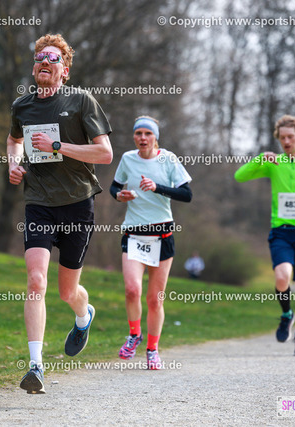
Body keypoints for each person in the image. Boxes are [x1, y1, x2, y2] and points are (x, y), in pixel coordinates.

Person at [6, 34, 113, 393]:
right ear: (34, 67)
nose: (45, 62)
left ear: (64, 71)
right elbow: (14, 140)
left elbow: (105, 154)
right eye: (40, 58)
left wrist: (58, 146)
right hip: (38, 202)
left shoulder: (81, 101)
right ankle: (35, 366)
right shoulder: (22, 106)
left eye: (53, 59)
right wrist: (14, 164)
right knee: (36, 280)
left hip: (77, 204)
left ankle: (84, 315)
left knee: (68, 292)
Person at [234, 115, 295, 356]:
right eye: (282, 138)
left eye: (290, 137)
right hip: (282, 231)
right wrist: (260, 159)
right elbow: (240, 176)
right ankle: (286, 314)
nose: (286, 142)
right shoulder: (274, 163)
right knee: (282, 277)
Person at [110, 116, 192, 368]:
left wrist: (157, 187)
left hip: (162, 235)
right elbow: (113, 187)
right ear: (134, 136)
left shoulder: (168, 159)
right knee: (132, 290)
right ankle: (134, 334)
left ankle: (153, 349)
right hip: (134, 234)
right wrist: (120, 196)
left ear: (156, 137)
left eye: (148, 133)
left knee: (155, 299)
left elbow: (187, 194)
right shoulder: (127, 159)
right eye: (138, 133)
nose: (143, 138)